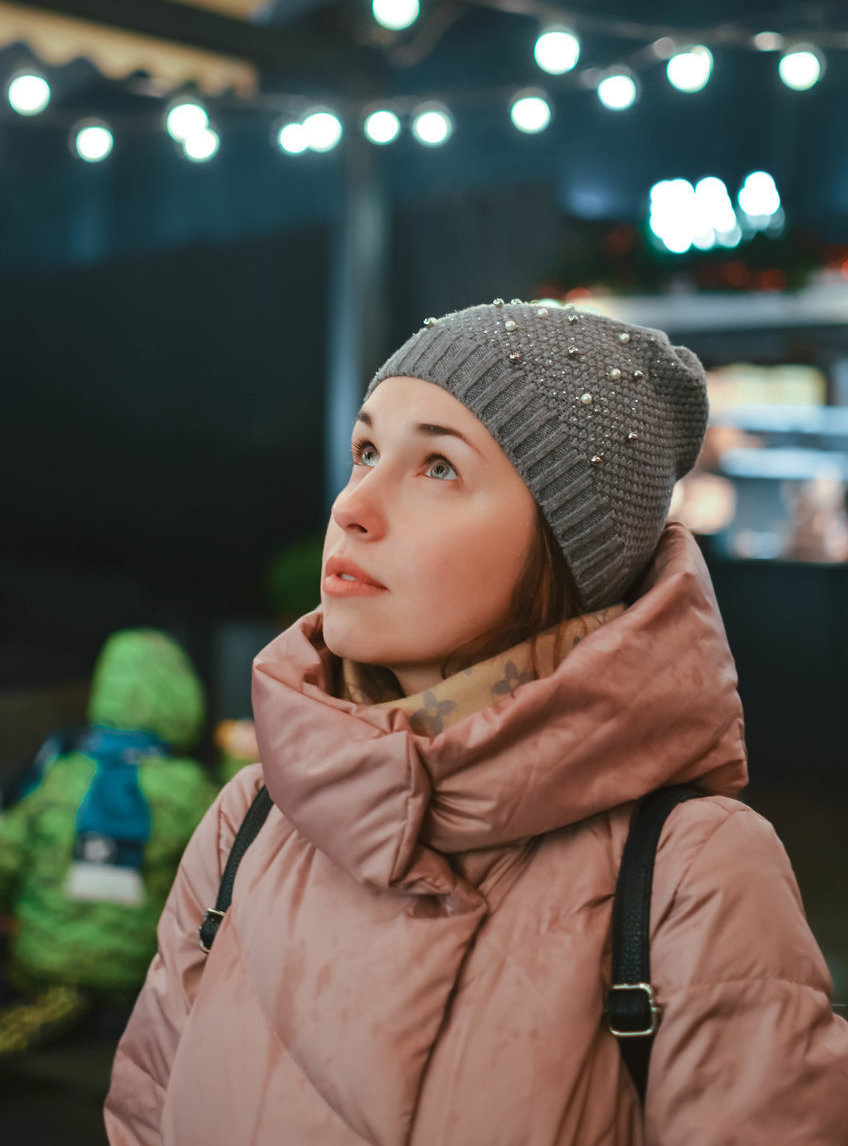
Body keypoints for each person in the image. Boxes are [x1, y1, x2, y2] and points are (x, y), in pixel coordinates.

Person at [105, 302, 848, 1144]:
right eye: (368, 452)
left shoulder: (693, 872)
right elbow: (142, 1118)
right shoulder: (252, 819)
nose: (354, 505)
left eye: (439, 469)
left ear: (565, 553)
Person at [0, 628, 217, 1056]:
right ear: (184, 697)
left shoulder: (58, 772)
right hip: (137, 980)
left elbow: (6, 855)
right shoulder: (192, 790)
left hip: (38, 966)